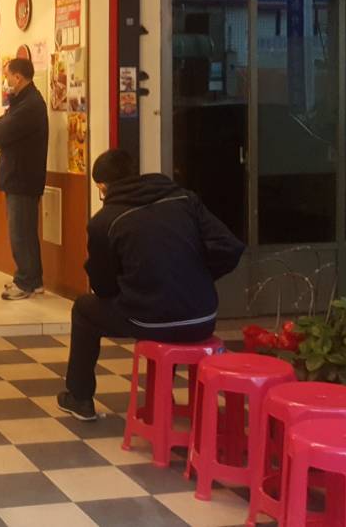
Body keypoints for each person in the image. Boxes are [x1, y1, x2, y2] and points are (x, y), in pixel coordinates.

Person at [58, 150, 245, 421]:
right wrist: (198, 276)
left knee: (84, 309)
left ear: (103, 186)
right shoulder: (183, 199)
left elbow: (103, 287)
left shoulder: (105, 221)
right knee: (163, 305)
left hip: (149, 320)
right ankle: (160, 397)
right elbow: (230, 247)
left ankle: (79, 397)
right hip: (203, 317)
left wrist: (136, 285)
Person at [0, 58, 48, 301]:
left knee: (20, 233)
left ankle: (25, 281)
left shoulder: (30, 105)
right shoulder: (22, 102)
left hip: (23, 178)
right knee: (25, 231)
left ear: (18, 77)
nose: (6, 81)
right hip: (20, 177)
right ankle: (33, 279)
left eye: (7, 76)